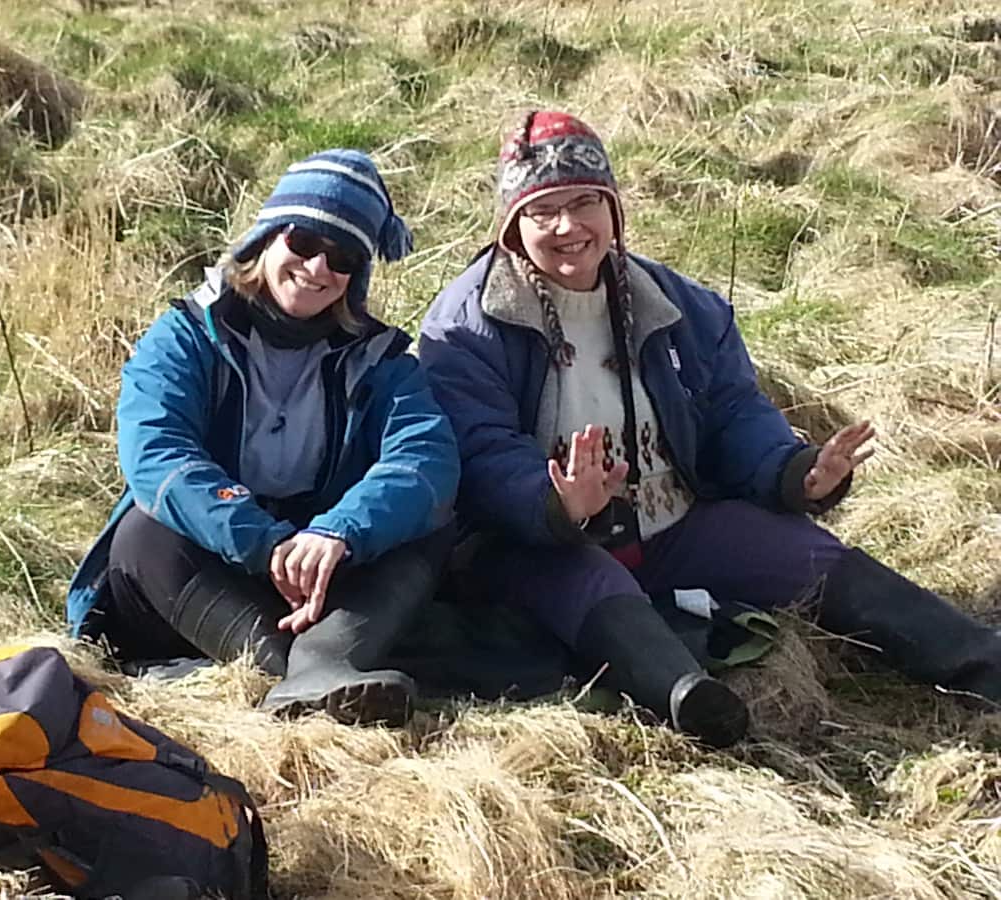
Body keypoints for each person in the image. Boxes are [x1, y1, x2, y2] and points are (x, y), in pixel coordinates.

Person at [418, 110, 1001, 747]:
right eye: (541, 211)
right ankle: (690, 699)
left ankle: (978, 661)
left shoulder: (679, 305)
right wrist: (555, 503)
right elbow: (478, 450)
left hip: (673, 521)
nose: (567, 226)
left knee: (807, 553)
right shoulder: (463, 327)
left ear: (613, 207)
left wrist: (795, 471)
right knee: (593, 582)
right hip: (539, 543)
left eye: (585, 202)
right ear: (510, 226)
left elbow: (732, 413)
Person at [67, 149, 460, 727]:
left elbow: (425, 459)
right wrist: (264, 542)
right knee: (144, 530)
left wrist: (341, 532)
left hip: (320, 571)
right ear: (267, 239)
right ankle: (306, 676)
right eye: (303, 243)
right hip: (215, 562)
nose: (318, 268)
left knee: (429, 521)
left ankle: (320, 669)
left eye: (344, 256)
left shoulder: (381, 361)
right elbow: (157, 455)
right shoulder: (184, 335)